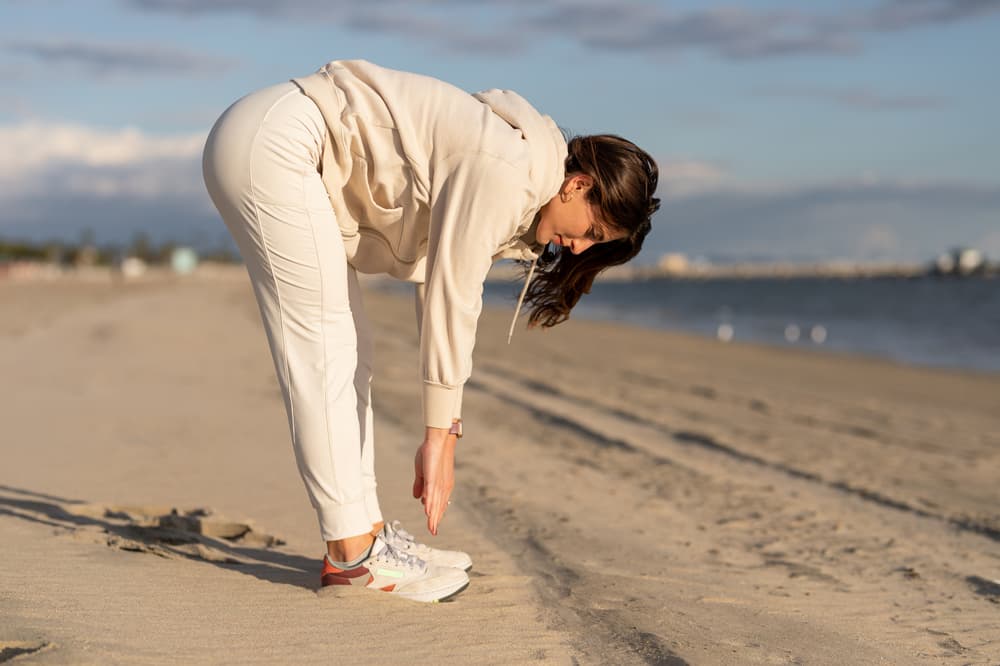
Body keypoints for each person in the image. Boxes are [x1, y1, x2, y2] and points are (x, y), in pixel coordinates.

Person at [202, 59, 660, 603]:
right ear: (578, 186)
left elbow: (437, 281)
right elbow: (454, 293)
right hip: (279, 145)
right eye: (593, 232)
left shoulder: (517, 176)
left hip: (282, 146)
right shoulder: (507, 168)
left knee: (352, 351)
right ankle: (351, 558)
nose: (580, 248)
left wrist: (443, 426)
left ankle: (367, 535)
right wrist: (440, 436)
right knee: (324, 348)